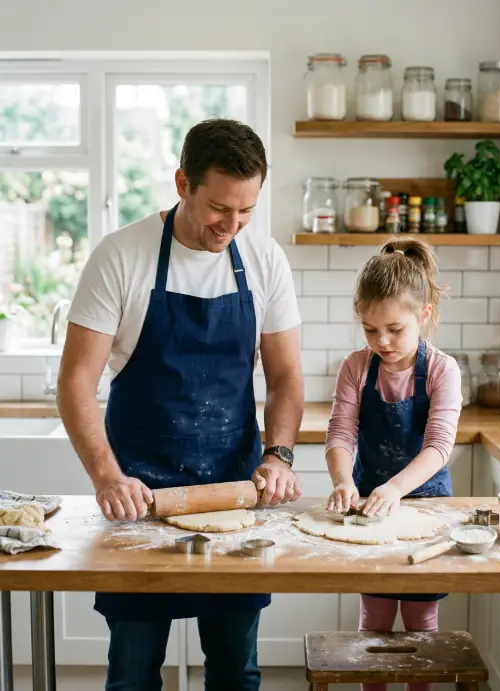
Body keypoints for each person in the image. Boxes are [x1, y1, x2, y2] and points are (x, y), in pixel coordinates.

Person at [56, 118, 304, 691]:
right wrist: (106, 476)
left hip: (235, 495)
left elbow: (287, 375)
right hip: (139, 498)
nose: (232, 225)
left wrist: (280, 456)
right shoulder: (122, 255)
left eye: (247, 212)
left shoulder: (264, 259)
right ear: (182, 183)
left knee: (235, 672)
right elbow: (76, 379)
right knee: (134, 674)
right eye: (220, 208)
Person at [324, 236, 462, 691]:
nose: (381, 341)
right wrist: (344, 480)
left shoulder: (442, 370)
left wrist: (395, 488)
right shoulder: (356, 367)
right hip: (367, 510)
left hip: (426, 508)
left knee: (421, 626)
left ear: (423, 315)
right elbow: (341, 433)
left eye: (394, 329)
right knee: (376, 624)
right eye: (369, 329)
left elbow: (438, 447)